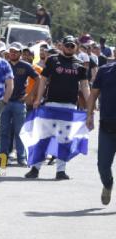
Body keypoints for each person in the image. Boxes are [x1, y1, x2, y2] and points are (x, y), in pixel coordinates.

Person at [25, 35, 90, 180]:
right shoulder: (53, 60)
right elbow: (43, 80)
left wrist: (90, 103)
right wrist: (37, 99)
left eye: (72, 46)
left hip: (70, 106)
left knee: (64, 139)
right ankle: (35, 168)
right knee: (43, 138)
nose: (69, 48)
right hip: (51, 104)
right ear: (62, 46)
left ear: (76, 47)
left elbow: (85, 85)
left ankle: (60, 171)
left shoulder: (80, 64)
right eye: (67, 45)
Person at [0, 44, 39, 167]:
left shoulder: (25, 66)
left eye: (16, 52)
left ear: (20, 53)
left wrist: (29, 95)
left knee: (20, 131)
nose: (13, 53)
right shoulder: (4, 64)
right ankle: (3, 157)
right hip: (4, 102)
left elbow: (38, 79)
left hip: (19, 102)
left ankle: (21, 157)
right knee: (4, 131)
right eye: (11, 51)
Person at [88, 54, 116, 204]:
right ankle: (108, 184)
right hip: (107, 127)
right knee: (103, 166)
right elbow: (93, 94)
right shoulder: (104, 71)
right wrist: (89, 115)